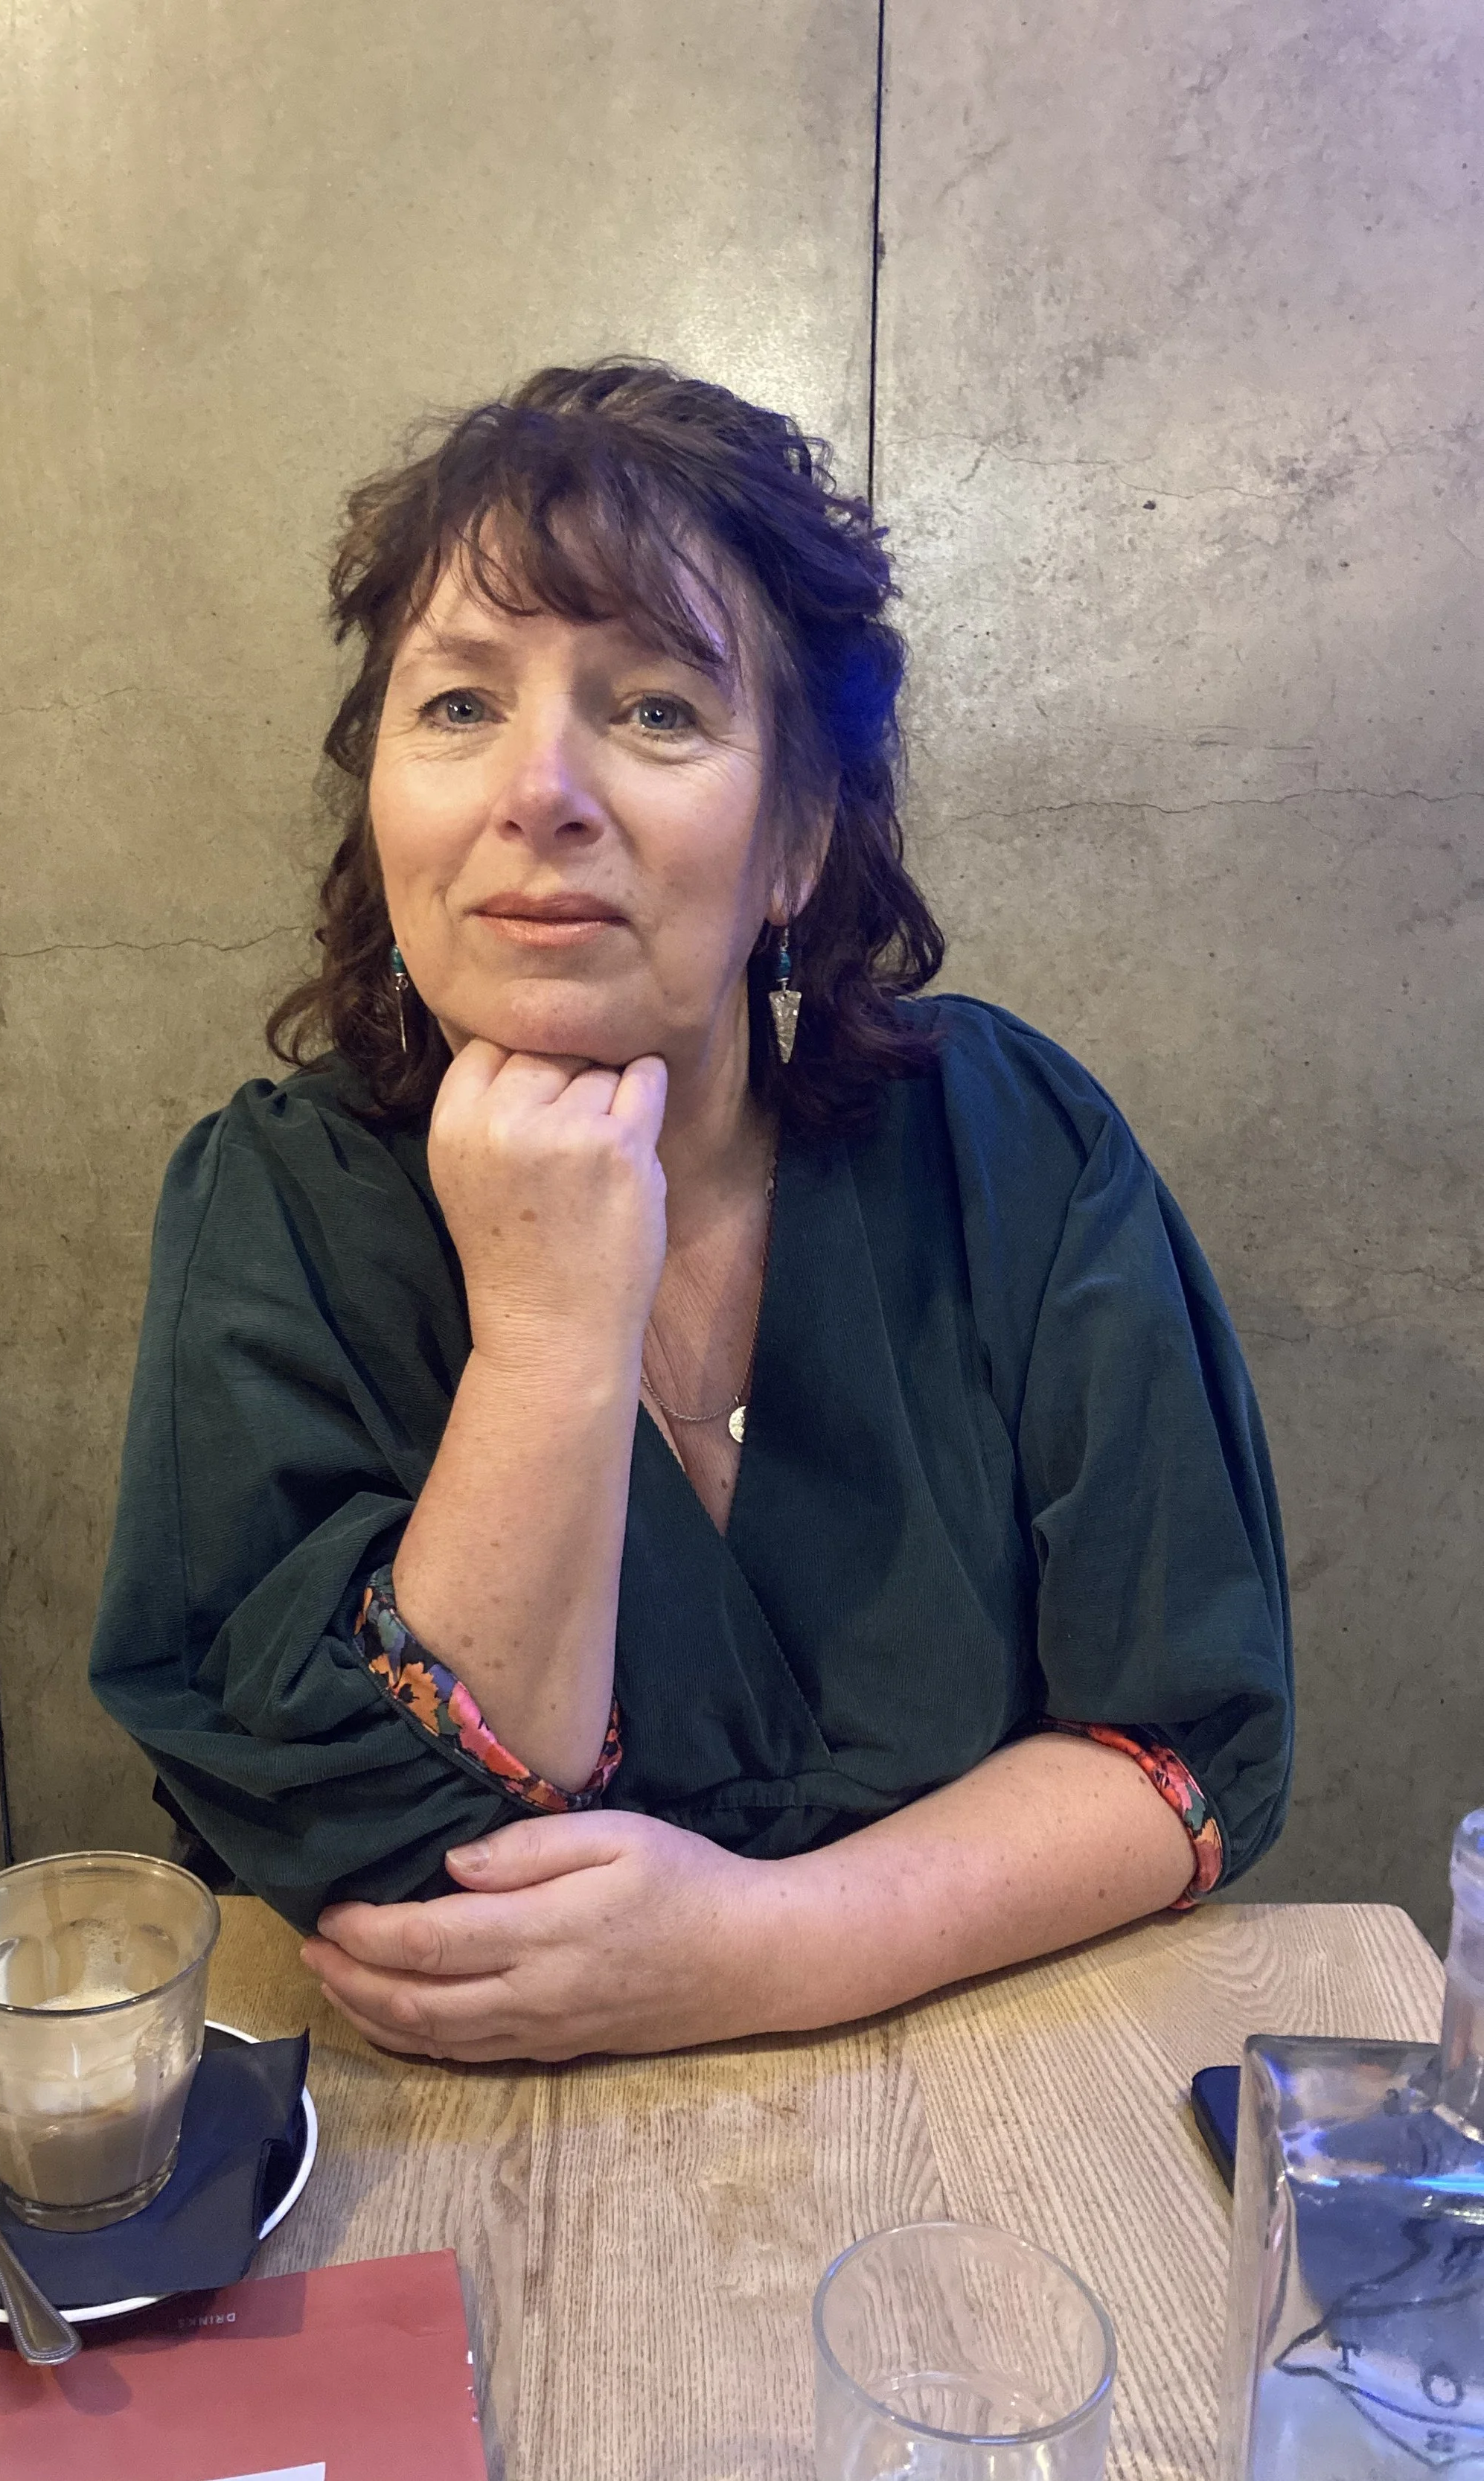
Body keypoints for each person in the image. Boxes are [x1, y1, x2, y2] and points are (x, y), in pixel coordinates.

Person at [89, 358, 1293, 2063]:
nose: (539, 790)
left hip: (993, 2117)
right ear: (382, 808)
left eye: (653, 707)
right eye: (456, 706)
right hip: (447, 2169)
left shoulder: (1010, 1146)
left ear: (795, 837)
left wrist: (769, 1945)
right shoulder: (275, 1207)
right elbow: (403, 1875)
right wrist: (550, 1337)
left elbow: (1188, 1756)